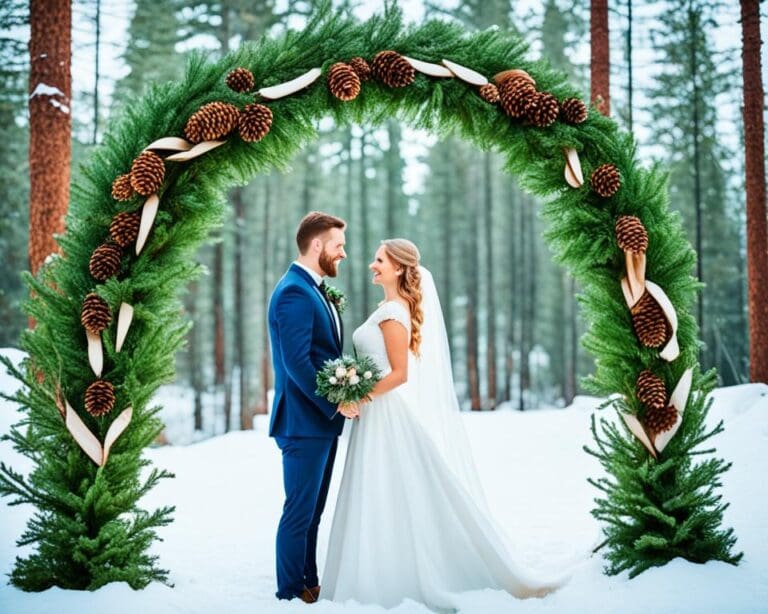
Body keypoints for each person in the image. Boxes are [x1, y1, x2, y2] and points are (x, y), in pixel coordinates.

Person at [322, 238, 566, 609]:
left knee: (390, 490)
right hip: (377, 416)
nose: (372, 265)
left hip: (386, 416)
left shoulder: (393, 313)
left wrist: (357, 395)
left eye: (379, 260)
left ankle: (396, 575)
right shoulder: (387, 307)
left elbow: (399, 374)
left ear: (400, 268)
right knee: (381, 491)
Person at [267, 211, 359, 603]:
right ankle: (289, 592)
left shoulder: (313, 289)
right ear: (317, 245)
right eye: (338, 245)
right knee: (299, 512)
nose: (343, 253)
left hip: (318, 423)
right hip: (304, 422)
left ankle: (309, 581)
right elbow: (297, 363)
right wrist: (335, 402)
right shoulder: (294, 292)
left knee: (313, 512)